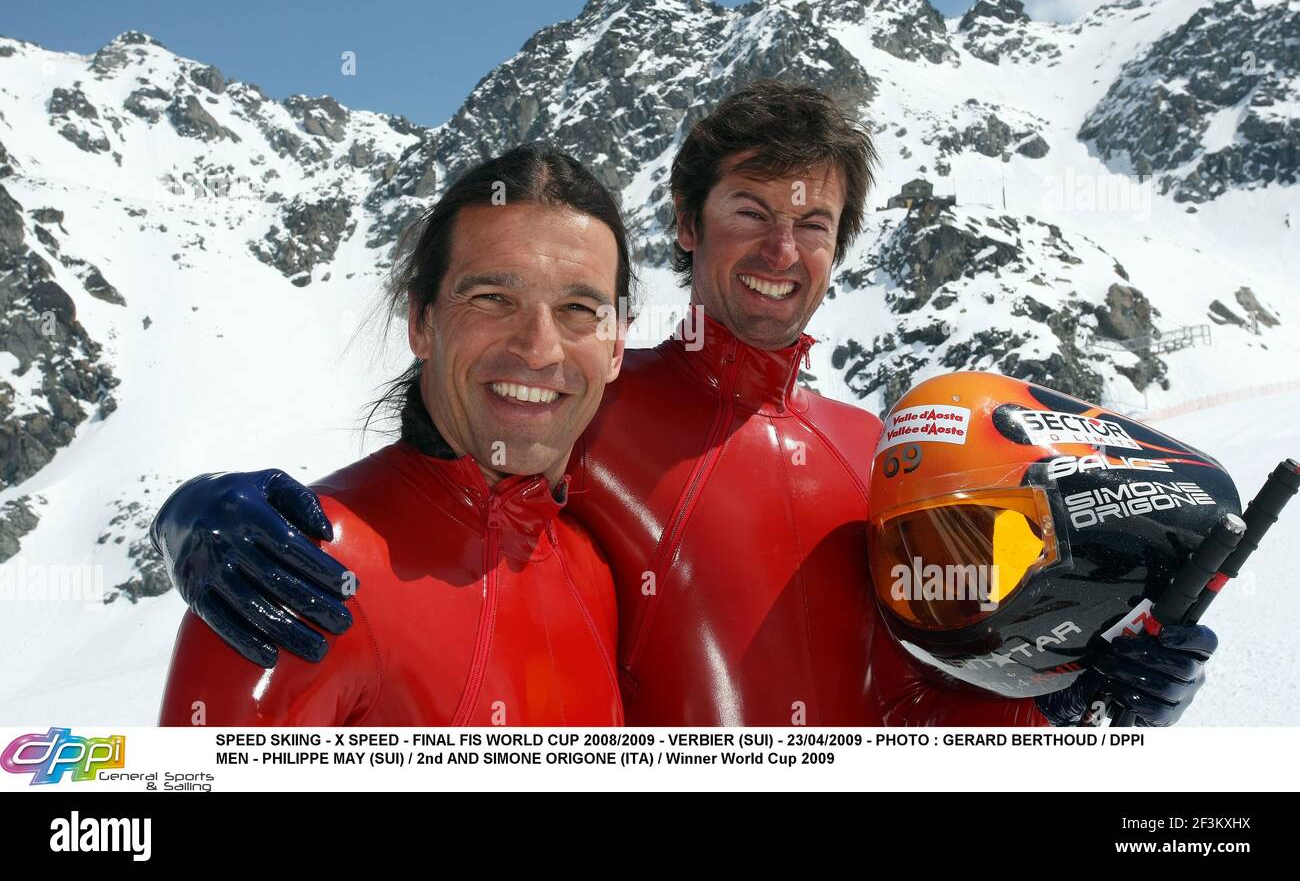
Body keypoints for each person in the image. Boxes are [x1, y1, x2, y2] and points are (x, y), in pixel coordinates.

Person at [153, 81, 1212, 725]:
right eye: (750, 210)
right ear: (685, 224)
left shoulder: (879, 458)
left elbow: (908, 698)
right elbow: (441, 504)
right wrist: (194, 511)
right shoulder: (595, 398)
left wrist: (1066, 705)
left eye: (814, 223)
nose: (779, 249)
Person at [157, 145, 628, 727]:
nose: (539, 348)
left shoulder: (597, 571)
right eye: (492, 299)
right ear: (421, 323)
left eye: (579, 308)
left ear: (617, 347)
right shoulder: (296, 570)